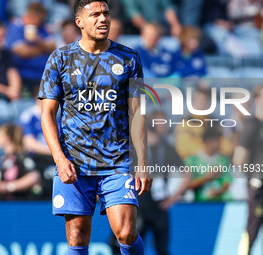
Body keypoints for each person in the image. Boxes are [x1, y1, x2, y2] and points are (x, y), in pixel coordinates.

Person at [39, 0, 152, 254]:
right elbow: (47, 113)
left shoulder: (129, 58)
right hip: (75, 161)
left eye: (106, 13)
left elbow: (137, 113)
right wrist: (59, 159)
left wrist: (142, 161)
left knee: (125, 232)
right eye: (95, 15)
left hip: (118, 160)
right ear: (79, 21)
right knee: (77, 237)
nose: (103, 19)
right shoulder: (60, 58)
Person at [110, 110, 190, 255]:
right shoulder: (134, 148)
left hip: (159, 206)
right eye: (162, 123)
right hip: (137, 206)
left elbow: (187, 173)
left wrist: (174, 197)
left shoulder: (167, 149)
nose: (166, 126)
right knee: (132, 246)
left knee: (162, 248)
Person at [234, 85, 263, 255]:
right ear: (259, 100)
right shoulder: (252, 125)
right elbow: (239, 159)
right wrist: (254, 177)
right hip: (260, 188)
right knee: (251, 231)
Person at [6, 2, 56, 94]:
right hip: (25, 75)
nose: (41, 21)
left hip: (44, 74)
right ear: (32, 16)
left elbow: (53, 47)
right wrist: (43, 48)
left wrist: (38, 40)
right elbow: (22, 52)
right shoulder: (16, 26)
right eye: (40, 18)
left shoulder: (43, 27)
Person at [19, 85, 57, 199]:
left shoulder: (57, 116)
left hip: (54, 157)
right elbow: (29, 142)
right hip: (38, 158)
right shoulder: (29, 116)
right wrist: (54, 151)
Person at [0, 124, 41, 201]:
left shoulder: (20, 156)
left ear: (7, 138)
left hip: (20, 205)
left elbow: (34, 177)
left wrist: (9, 186)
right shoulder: (5, 158)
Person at [185, 127, 233, 202]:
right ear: (209, 141)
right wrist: (208, 177)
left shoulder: (223, 160)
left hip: (220, 204)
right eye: (217, 141)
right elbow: (187, 186)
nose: (220, 144)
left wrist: (218, 192)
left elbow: (227, 182)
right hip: (199, 204)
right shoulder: (192, 160)